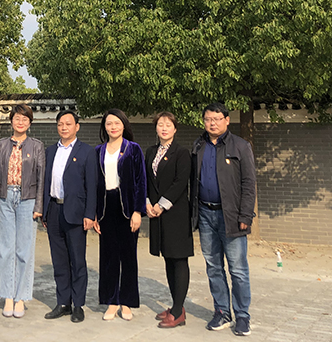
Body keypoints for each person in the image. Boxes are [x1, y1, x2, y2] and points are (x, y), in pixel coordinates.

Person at [190, 102, 256, 336]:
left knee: (238, 269)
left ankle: (242, 315)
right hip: (205, 214)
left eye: (217, 119)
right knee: (213, 267)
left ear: (227, 120)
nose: (212, 123)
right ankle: (222, 312)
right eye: (208, 119)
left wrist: (245, 214)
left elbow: (249, 182)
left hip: (231, 216)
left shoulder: (240, 146)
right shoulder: (198, 145)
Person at [0, 104, 45, 318]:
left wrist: (38, 206)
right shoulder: (1, 145)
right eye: (17, 118)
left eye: (25, 119)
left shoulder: (37, 146)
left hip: (27, 200)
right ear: (11, 121)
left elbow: (41, 178)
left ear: (30, 123)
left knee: (24, 250)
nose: (20, 122)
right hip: (5, 198)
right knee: (4, 249)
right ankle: (7, 295)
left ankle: (20, 297)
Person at [43, 110, 97, 323]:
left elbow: (92, 185)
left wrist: (90, 213)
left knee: (77, 260)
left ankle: (78, 305)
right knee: (59, 261)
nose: (64, 127)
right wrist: (45, 211)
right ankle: (63, 302)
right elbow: (46, 182)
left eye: (68, 124)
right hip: (54, 210)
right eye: (60, 124)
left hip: (76, 212)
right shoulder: (50, 151)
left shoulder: (87, 152)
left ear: (77, 126)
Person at [93, 109, 146, 322]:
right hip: (106, 207)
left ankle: (127, 302)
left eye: (117, 123)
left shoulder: (133, 149)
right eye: (109, 124)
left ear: (124, 125)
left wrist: (137, 211)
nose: (113, 127)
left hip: (127, 208)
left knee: (128, 256)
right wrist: (95, 214)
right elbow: (94, 184)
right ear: (104, 127)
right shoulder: (98, 151)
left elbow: (141, 181)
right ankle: (112, 301)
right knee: (109, 256)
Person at [145, 111, 193, 328]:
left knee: (179, 259)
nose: (164, 128)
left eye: (168, 125)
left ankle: (178, 311)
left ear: (175, 128)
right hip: (156, 213)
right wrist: (147, 203)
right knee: (167, 258)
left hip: (175, 213)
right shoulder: (150, 151)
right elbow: (146, 180)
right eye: (160, 124)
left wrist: (161, 205)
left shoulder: (182, 153)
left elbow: (180, 182)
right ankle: (176, 306)